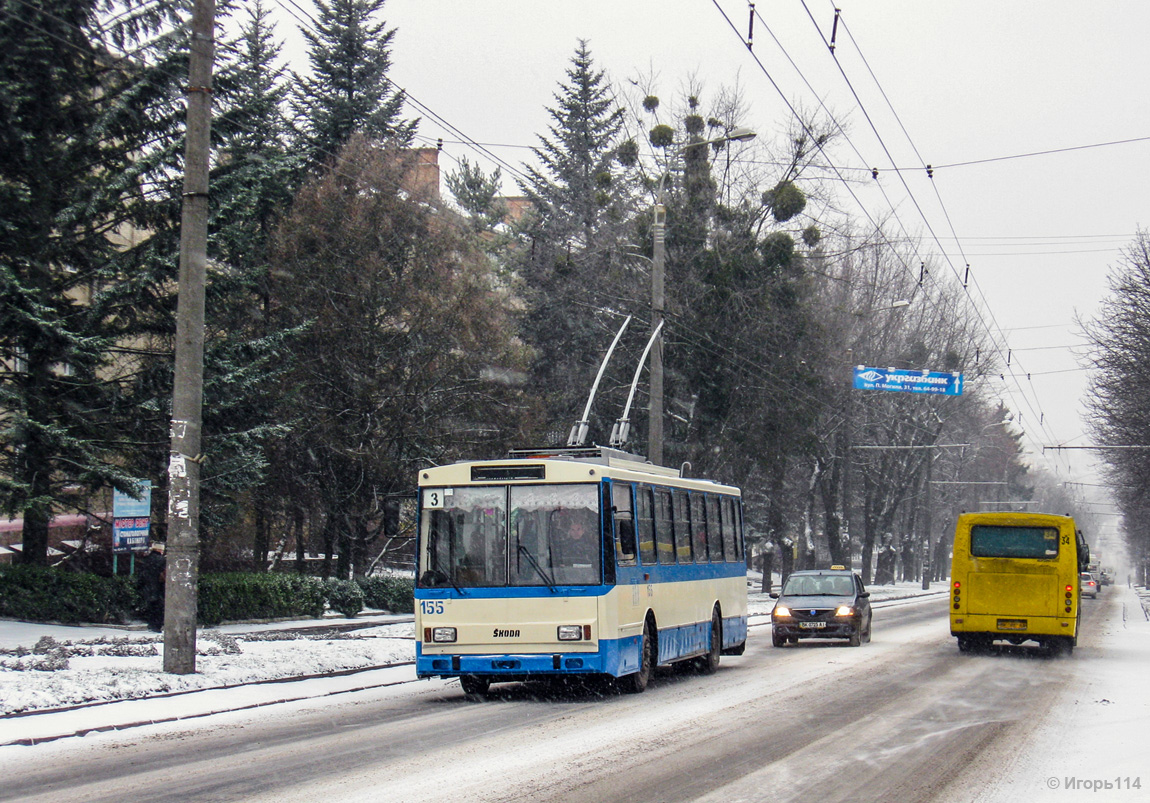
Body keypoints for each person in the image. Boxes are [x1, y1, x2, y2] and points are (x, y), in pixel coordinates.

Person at [138, 541, 166, 631]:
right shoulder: (162, 560)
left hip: (147, 586)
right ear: (160, 550)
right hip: (158, 586)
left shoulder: (146, 559)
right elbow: (164, 574)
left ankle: (151, 624)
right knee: (159, 607)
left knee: (151, 606)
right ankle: (157, 626)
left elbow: (141, 574)